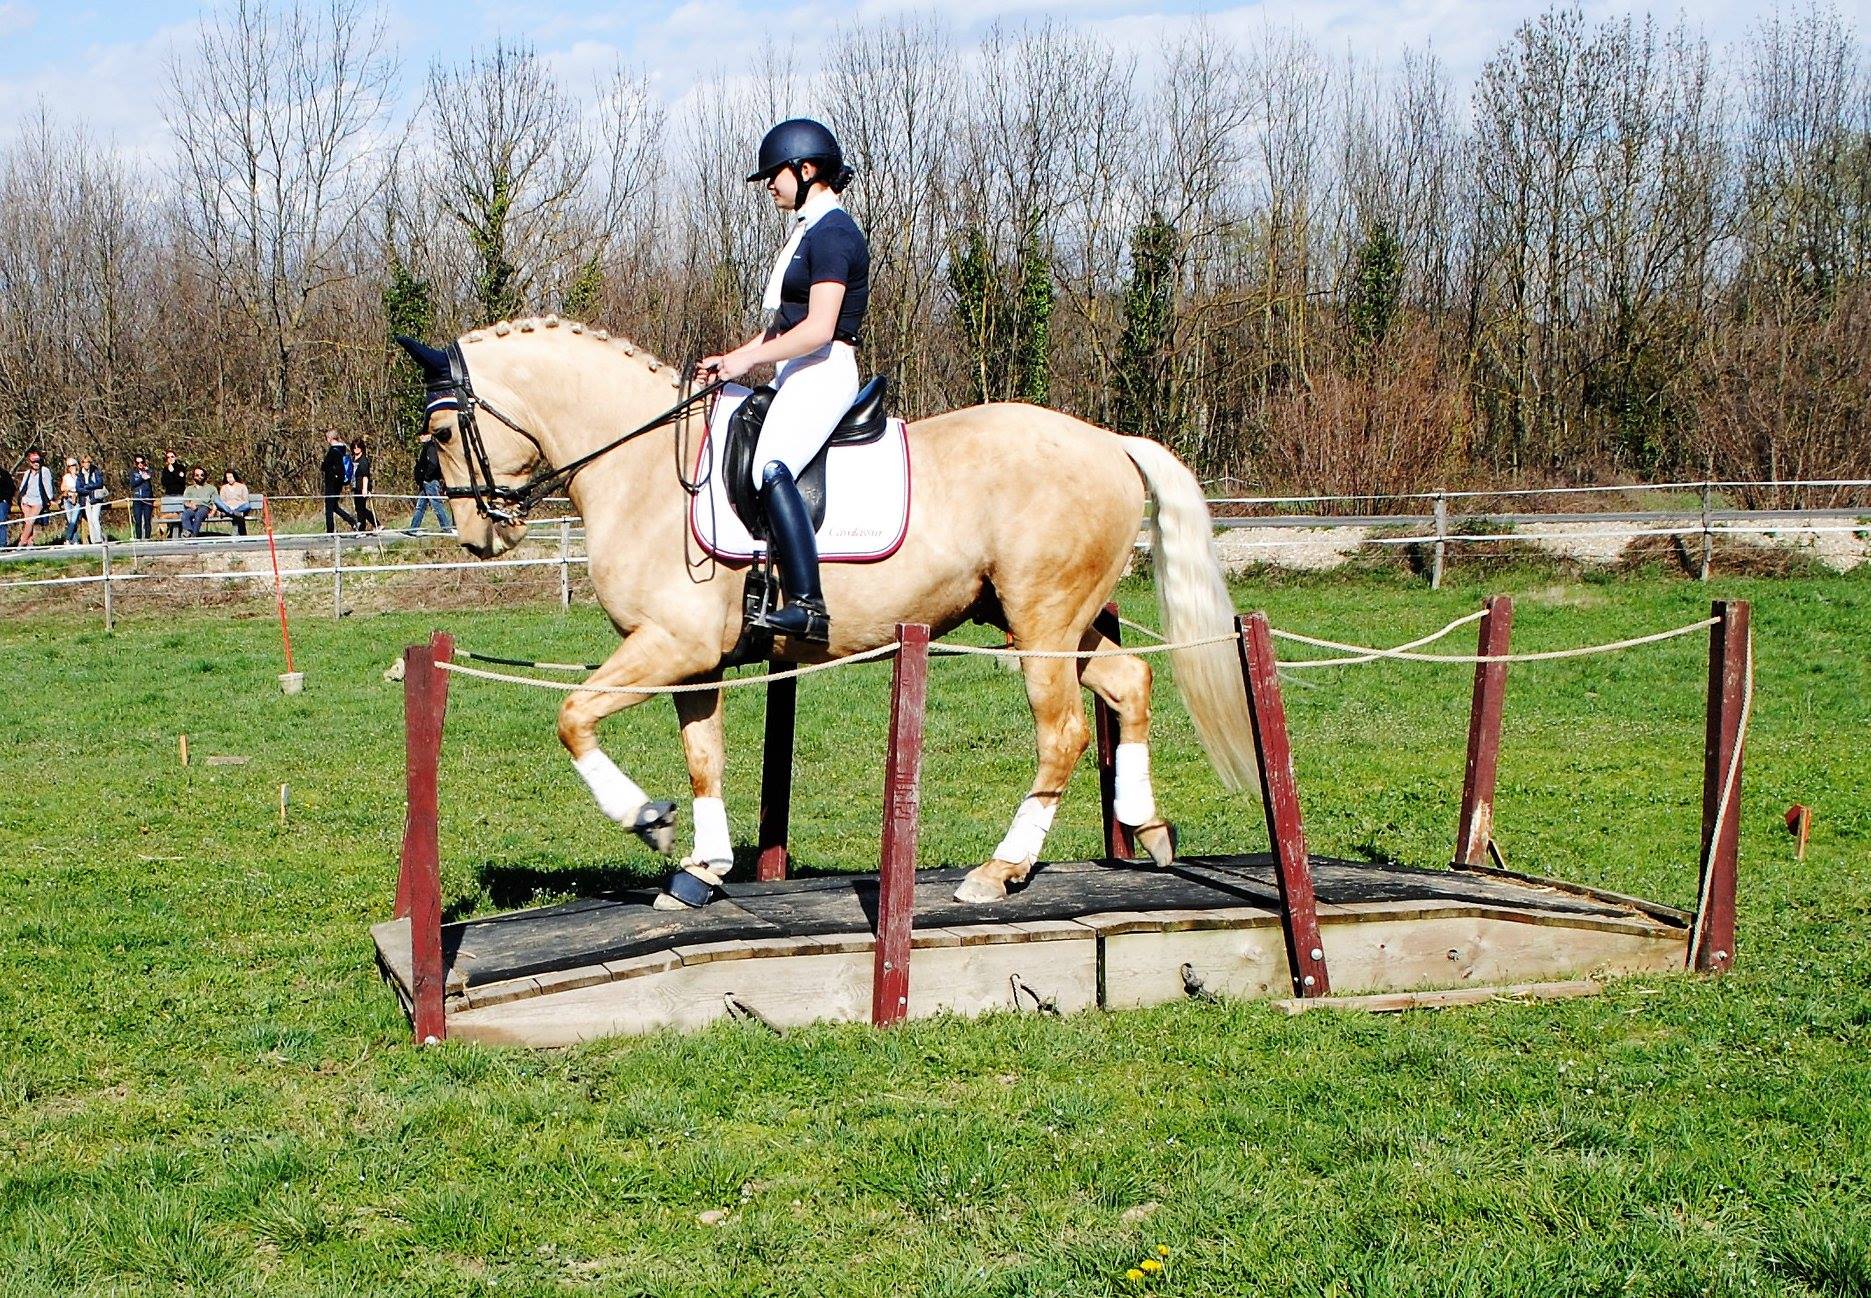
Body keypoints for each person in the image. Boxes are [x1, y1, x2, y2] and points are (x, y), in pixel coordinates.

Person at [694, 118, 869, 644]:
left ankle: (809, 605)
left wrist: (752, 362)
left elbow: (817, 328)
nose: (769, 184)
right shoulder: (806, 233)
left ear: (806, 169)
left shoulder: (834, 233)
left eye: (775, 174)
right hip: (797, 369)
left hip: (825, 368)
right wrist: (733, 359)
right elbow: (780, 327)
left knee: (774, 465)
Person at [407, 427, 452, 533]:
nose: (421, 436)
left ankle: (446, 528)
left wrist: (427, 477)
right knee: (420, 506)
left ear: (429, 435)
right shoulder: (427, 447)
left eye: (424, 434)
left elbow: (433, 463)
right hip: (426, 482)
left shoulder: (431, 446)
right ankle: (413, 528)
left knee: (436, 505)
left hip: (430, 481)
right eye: (420, 434)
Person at [13, 448, 54, 546]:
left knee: (30, 522)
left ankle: (21, 542)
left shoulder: (44, 471)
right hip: (26, 501)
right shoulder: (27, 472)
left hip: (38, 501)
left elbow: (48, 486)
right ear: (30, 462)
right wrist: (22, 499)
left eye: (38, 461)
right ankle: (30, 542)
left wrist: (50, 499)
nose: (36, 463)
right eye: (34, 461)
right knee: (28, 522)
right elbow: (23, 486)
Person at [320, 430, 354, 532]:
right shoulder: (342, 449)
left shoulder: (333, 451)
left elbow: (325, 466)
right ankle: (351, 520)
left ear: (330, 438)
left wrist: (324, 465)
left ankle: (330, 531)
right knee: (334, 506)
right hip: (339, 482)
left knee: (329, 508)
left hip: (331, 482)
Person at [214, 468, 254, 535]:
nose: (229, 479)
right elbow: (222, 501)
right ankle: (231, 512)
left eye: (231, 477)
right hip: (228, 507)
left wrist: (237, 507)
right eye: (227, 477)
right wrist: (228, 507)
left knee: (248, 506)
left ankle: (231, 513)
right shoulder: (224, 488)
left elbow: (246, 501)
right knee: (216, 499)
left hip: (240, 507)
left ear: (234, 476)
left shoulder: (242, 487)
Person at [179, 466, 216, 537]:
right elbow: (185, 502)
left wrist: (213, 512)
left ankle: (193, 536)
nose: (199, 477)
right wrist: (190, 505)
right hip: (192, 507)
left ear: (205, 476)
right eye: (197, 475)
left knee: (198, 515)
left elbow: (215, 502)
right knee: (185, 514)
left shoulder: (211, 488)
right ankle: (188, 531)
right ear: (193, 477)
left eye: (202, 475)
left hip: (204, 508)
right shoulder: (189, 489)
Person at [77, 455, 106, 543]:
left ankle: (99, 538)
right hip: (85, 499)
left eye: (89, 462)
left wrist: (88, 486)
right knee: (90, 520)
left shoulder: (95, 471)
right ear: (82, 463)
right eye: (85, 462)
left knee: (95, 518)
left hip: (96, 499)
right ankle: (93, 540)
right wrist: (87, 490)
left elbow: (99, 483)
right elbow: (78, 488)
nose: (87, 464)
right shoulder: (80, 474)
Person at [350, 438, 377, 532]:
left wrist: (365, 489)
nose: (356, 449)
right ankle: (363, 527)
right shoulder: (353, 459)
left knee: (361, 508)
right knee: (359, 508)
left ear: (362, 448)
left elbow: (365, 475)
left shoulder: (363, 460)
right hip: (355, 486)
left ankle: (373, 524)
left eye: (358, 447)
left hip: (362, 487)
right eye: (354, 447)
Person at [159, 450, 188, 538]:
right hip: (169, 495)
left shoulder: (181, 468)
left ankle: (180, 533)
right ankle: (170, 533)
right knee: (169, 516)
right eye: (168, 457)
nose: (170, 459)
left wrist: (173, 472)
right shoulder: (165, 469)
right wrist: (174, 477)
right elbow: (165, 482)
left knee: (179, 514)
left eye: (172, 456)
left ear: (175, 457)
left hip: (179, 494)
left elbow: (181, 481)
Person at [129, 455, 155, 540]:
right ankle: (138, 538)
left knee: (147, 520)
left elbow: (151, 475)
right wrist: (142, 478)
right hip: (137, 499)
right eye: (138, 462)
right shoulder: (133, 472)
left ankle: (147, 538)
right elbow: (133, 484)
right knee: (138, 521)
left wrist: (146, 472)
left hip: (147, 499)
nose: (140, 464)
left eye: (142, 462)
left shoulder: (148, 471)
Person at [59, 457, 82, 544]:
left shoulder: (79, 477)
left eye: (73, 465)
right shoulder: (66, 477)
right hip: (67, 499)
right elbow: (62, 488)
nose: (71, 467)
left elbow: (81, 488)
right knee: (70, 520)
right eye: (69, 466)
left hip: (77, 499)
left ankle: (68, 539)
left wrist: (75, 492)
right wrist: (70, 489)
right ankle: (74, 539)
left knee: (74, 519)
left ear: (76, 466)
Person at [0, 456, 14, 548]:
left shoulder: (4, 474)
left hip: (2, 502)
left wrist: (5, 498)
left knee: (1, 522)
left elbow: (11, 488)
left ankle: (2, 544)